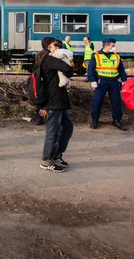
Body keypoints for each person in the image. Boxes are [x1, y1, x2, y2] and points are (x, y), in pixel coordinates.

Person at [37, 37, 75, 173]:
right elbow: (68, 69)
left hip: (59, 100)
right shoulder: (49, 59)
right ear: (49, 46)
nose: (58, 46)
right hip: (53, 101)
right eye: (55, 44)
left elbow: (69, 70)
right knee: (52, 132)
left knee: (67, 128)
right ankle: (46, 161)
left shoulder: (51, 58)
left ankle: (57, 155)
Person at [87, 37, 127, 130]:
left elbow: (121, 69)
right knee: (97, 101)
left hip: (114, 82)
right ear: (107, 45)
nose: (114, 47)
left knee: (116, 102)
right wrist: (93, 80)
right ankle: (95, 120)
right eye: (112, 45)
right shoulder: (96, 55)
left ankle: (117, 120)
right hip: (101, 82)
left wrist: (124, 80)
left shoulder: (116, 55)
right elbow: (91, 69)